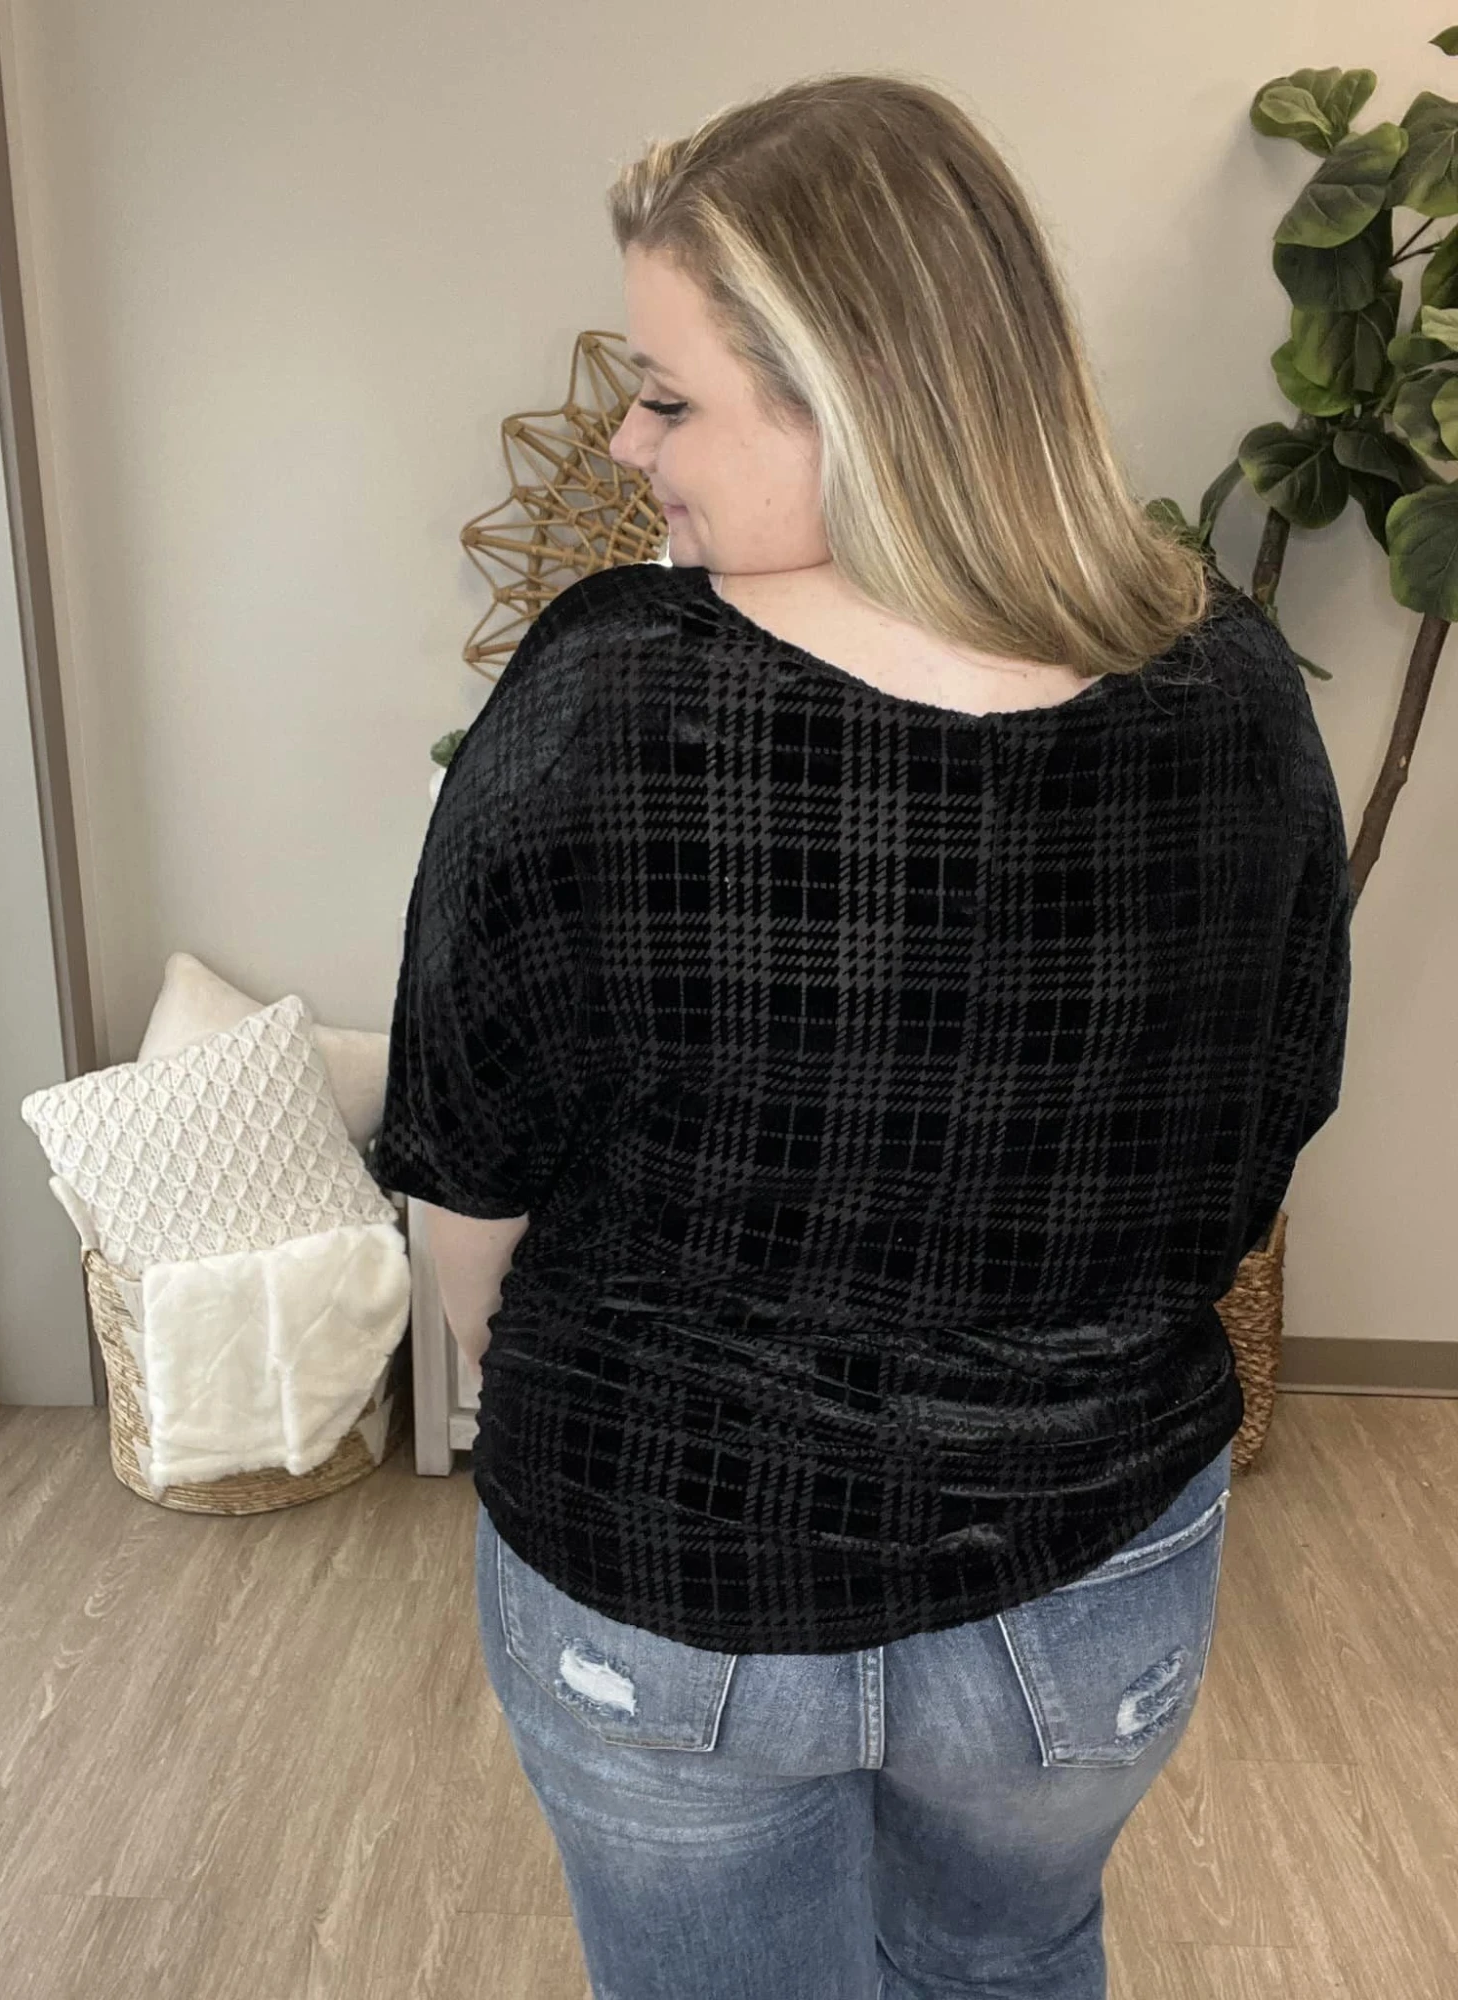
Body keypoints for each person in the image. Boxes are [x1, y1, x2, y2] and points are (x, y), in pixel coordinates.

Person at [370, 70, 1352, 2000]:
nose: (632, 443)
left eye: (669, 399)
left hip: (667, 1573)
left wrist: (519, 1346)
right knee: (1008, 1962)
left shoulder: (606, 699)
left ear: (856, 395)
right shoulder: (1235, 690)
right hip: (1086, 1579)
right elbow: (1267, 1123)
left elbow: (466, 1165)